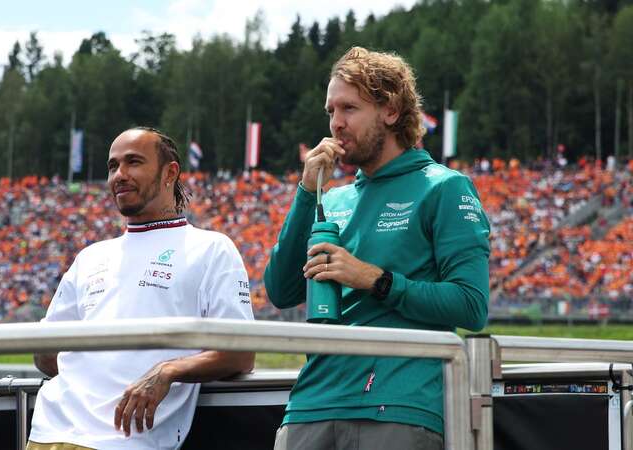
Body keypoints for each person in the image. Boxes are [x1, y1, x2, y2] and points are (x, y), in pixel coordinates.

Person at [264, 47, 490, 450]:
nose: (336, 124)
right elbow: (281, 291)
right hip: (310, 406)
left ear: (390, 110)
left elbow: (471, 306)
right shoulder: (331, 199)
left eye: (349, 108)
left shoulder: (444, 187)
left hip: (398, 407)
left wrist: (376, 280)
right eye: (330, 111)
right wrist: (305, 192)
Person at [27, 127, 255, 450]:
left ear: (170, 172)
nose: (119, 175)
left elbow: (240, 353)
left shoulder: (211, 249)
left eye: (133, 162)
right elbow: (46, 353)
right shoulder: (90, 256)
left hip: (126, 442)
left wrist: (167, 371)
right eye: (113, 166)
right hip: (47, 435)